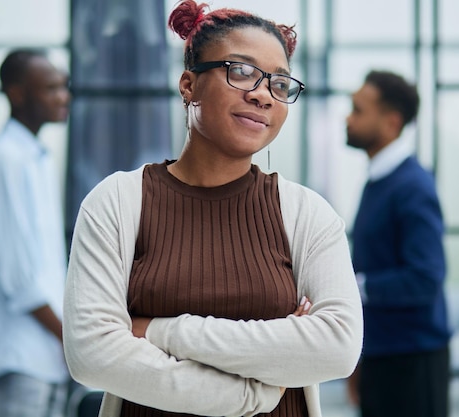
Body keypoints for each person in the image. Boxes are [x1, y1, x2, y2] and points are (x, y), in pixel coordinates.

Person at [63, 1, 363, 417]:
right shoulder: (117, 202)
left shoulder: (307, 214)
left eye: (279, 83)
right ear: (189, 85)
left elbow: (337, 348)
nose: (262, 94)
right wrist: (249, 395)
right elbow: (92, 353)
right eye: (240, 71)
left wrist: (158, 330)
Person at [0, 48, 71, 417]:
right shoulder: (5, 160)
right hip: (20, 353)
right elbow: (18, 277)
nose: (63, 96)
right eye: (51, 88)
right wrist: (69, 336)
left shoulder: (33, 157)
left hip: (45, 355)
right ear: (17, 94)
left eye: (64, 86)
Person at [345, 70, 452, 417]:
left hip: (411, 362)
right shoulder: (379, 180)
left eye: (359, 110)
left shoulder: (412, 187)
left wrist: (353, 288)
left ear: (391, 122)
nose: (348, 118)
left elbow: (425, 278)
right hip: (382, 354)